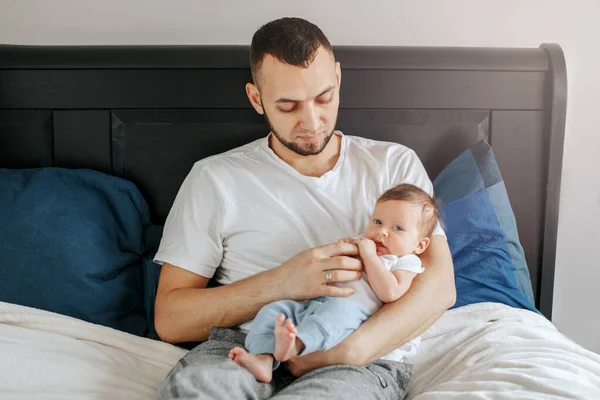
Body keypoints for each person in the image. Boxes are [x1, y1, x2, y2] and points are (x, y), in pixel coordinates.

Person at [152, 16, 455, 400]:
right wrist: (282, 283)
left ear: (339, 79)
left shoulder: (394, 165)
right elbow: (170, 319)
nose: (311, 121)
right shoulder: (214, 178)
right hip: (246, 345)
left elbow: (440, 286)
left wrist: (348, 351)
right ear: (257, 99)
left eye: (324, 98)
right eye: (289, 106)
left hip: (360, 350)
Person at [228, 183, 441, 384]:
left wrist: (370, 258)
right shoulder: (363, 244)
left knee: (332, 317)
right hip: (313, 303)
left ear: (419, 245)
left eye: (398, 228)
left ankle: (295, 345)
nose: (382, 232)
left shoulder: (406, 261)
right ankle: (262, 359)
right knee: (273, 312)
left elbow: (391, 292)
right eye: (377, 222)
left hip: (352, 313)